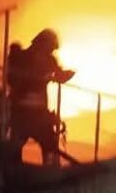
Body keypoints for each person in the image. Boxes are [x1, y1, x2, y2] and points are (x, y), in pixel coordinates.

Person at [6, 29, 74, 165]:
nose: (50, 51)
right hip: (21, 111)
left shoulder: (50, 60)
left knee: (49, 145)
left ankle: (49, 170)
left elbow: (58, 75)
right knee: (15, 147)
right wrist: (33, 77)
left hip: (39, 113)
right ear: (41, 44)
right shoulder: (21, 57)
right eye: (49, 48)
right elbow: (12, 79)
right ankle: (14, 169)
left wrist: (65, 76)